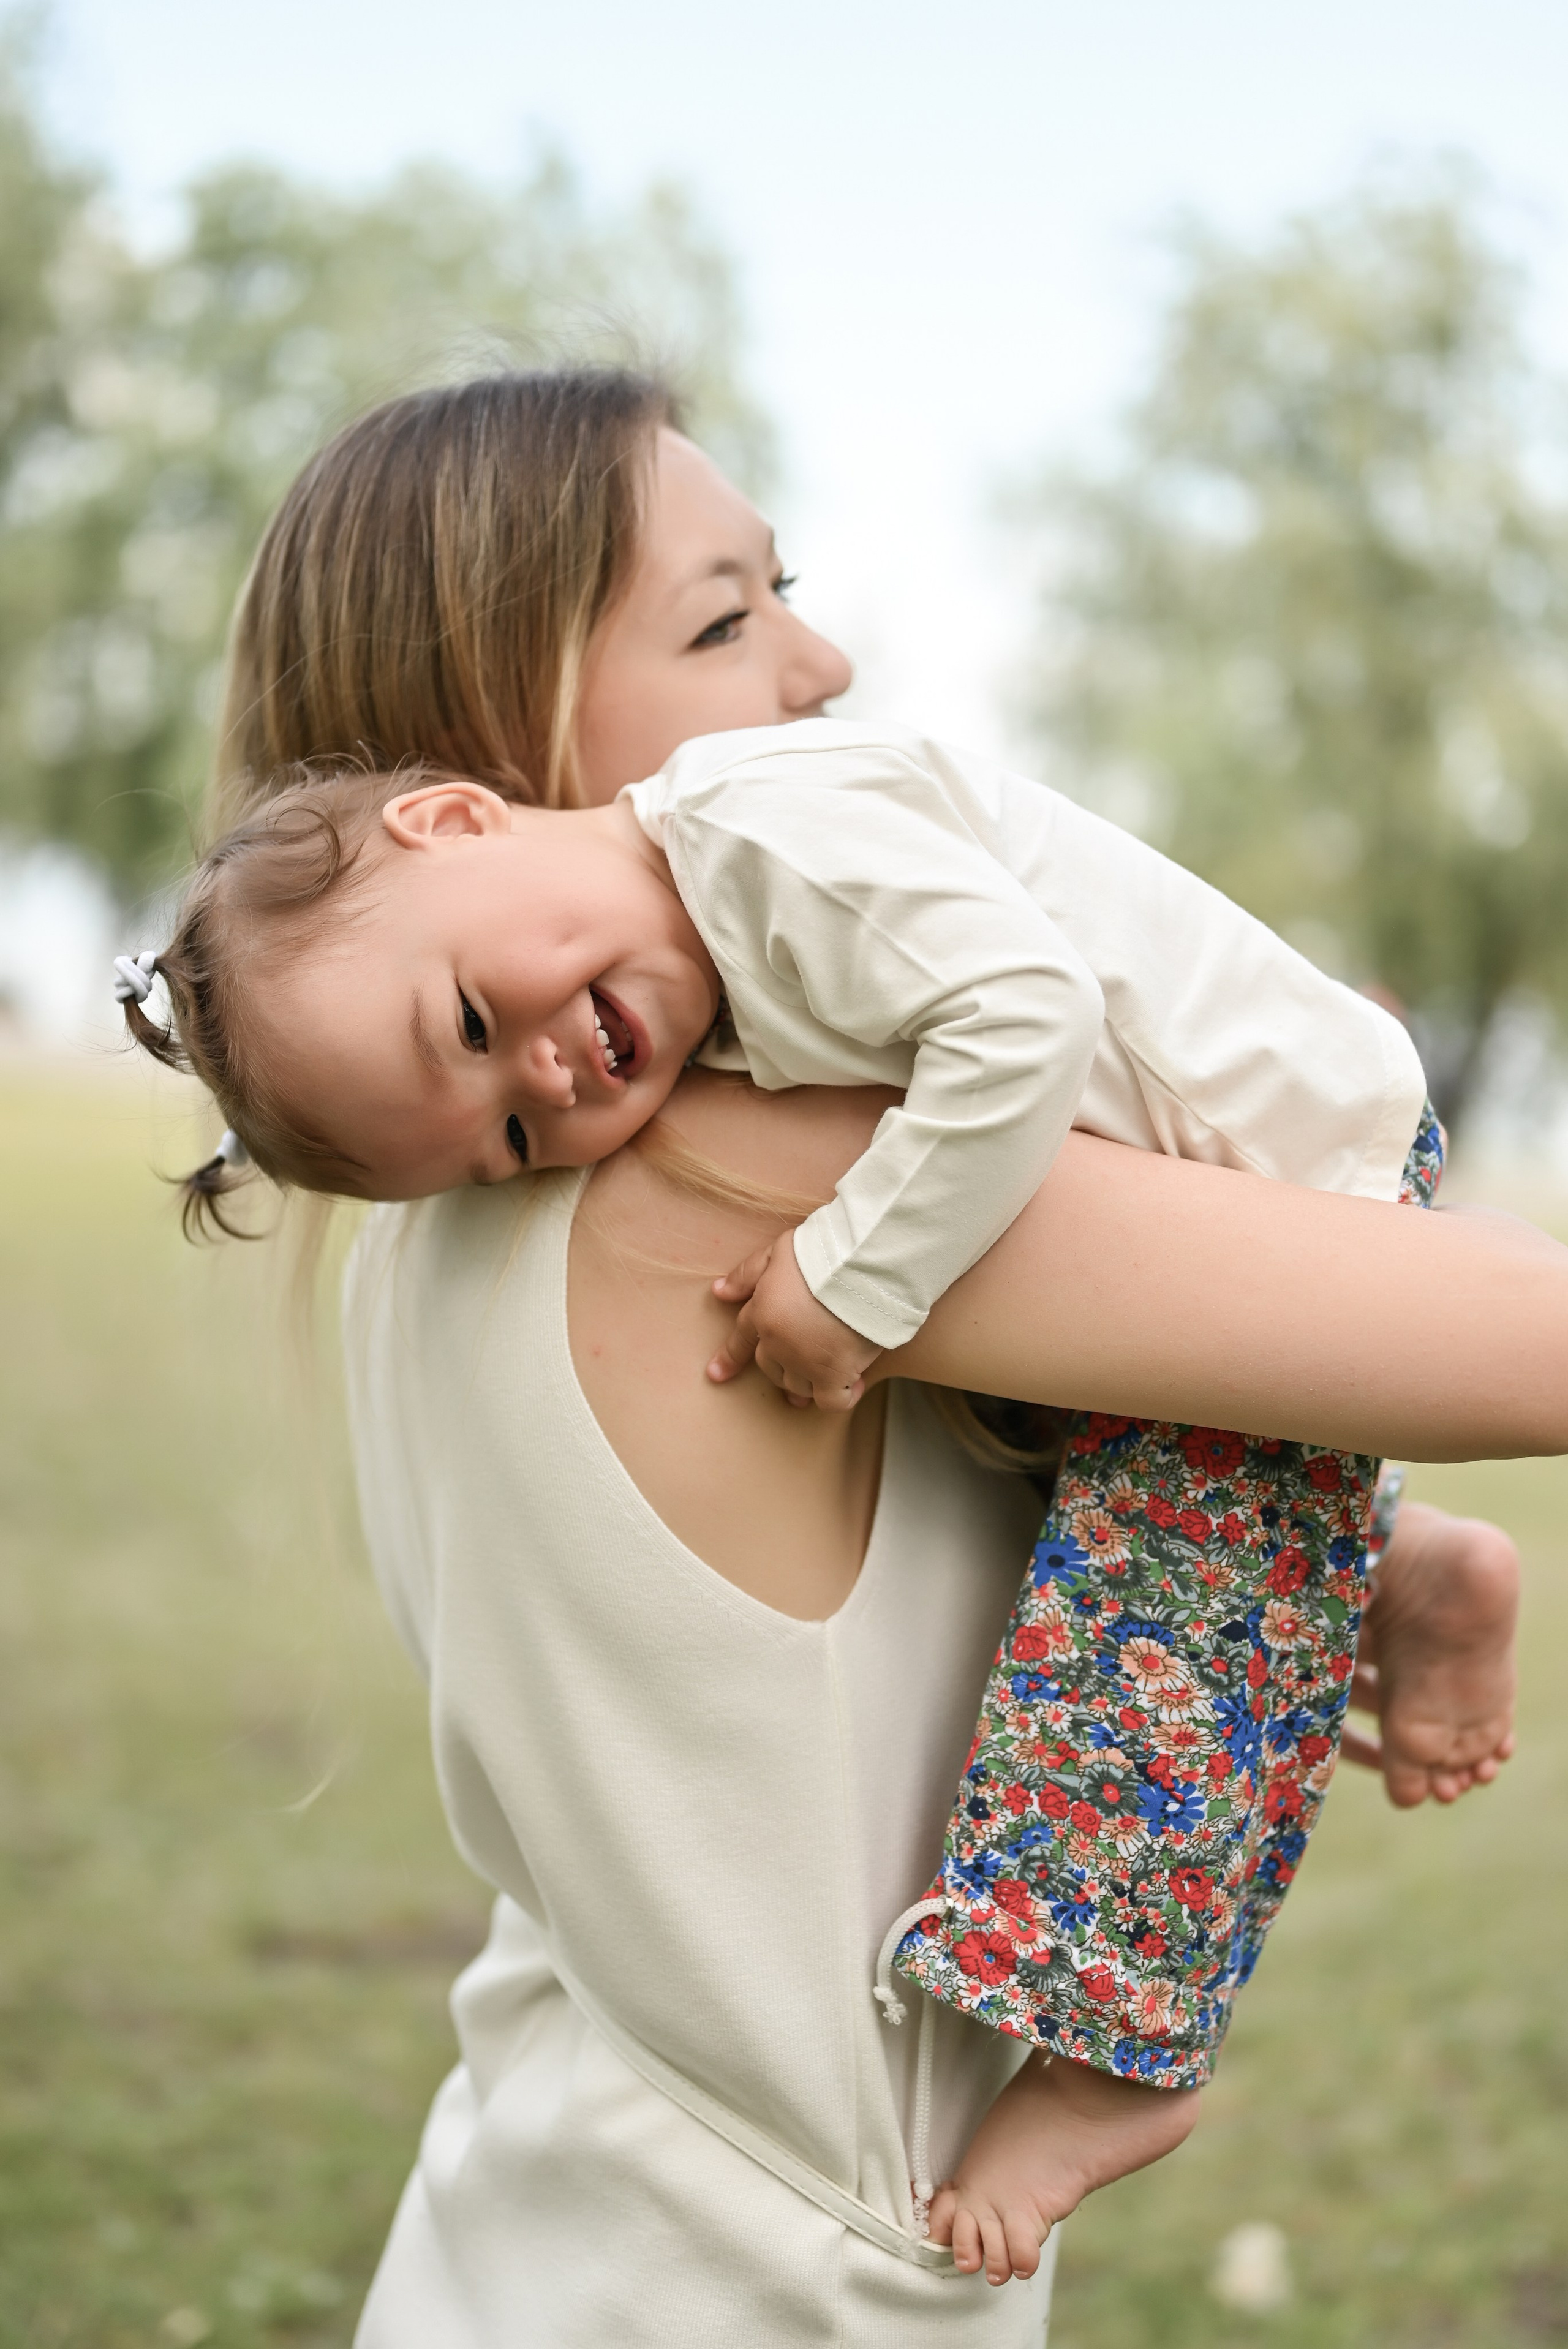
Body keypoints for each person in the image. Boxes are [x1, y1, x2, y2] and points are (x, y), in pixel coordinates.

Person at [157, 368, 1523, 2315]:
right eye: (727, 618)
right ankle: (1131, 2011)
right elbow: (1525, 1344)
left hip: (523, 2226)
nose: (825, 669)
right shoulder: (748, 1160)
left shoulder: (432, 1216)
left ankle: (1376, 1559)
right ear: (490, 756)